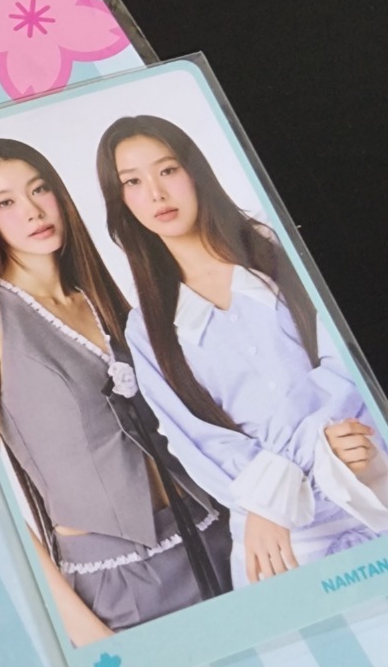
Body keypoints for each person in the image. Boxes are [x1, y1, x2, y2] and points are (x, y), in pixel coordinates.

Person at [0, 138, 232, 647]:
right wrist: (87, 632)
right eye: (5, 202)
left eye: (40, 189)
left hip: (218, 537)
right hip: (118, 586)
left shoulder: (106, 300)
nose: (33, 211)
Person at [98, 115, 388, 587]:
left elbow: (348, 365)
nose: (156, 193)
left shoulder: (282, 255)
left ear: (195, 171)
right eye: (133, 181)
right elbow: (194, 438)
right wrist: (274, 497)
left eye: (167, 170)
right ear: (122, 201)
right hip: (277, 538)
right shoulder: (147, 328)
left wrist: (297, 471)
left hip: (368, 481)